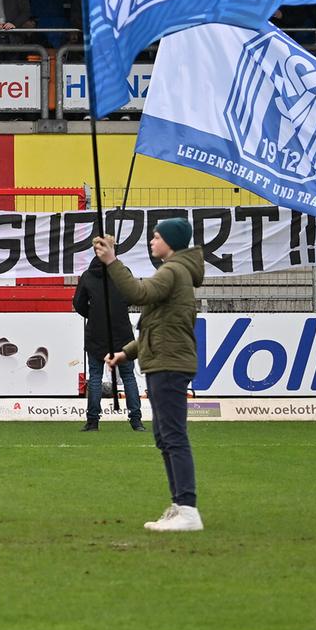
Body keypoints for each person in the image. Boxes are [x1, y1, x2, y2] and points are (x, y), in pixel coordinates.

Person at [96, 218, 204, 532]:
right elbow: (155, 325)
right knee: (165, 436)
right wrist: (125, 353)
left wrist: (112, 260)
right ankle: (180, 503)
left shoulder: (172, 271)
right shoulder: (175, 271)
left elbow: (138, 293)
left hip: (169, 364)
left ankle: (188, 510)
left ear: (170, 241)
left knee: (172, 436)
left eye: (156, 237)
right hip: (163, 361)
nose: (152, 241)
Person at [74, 255, 143, 432]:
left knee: (95, 376)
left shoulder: (88, 276)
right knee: (128, 376)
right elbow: (132, 295)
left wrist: (94, 314)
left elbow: (78, 303)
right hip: (122, 333)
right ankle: (136, 421)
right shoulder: (123, 272)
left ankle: (92, 422)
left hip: (96, 334)